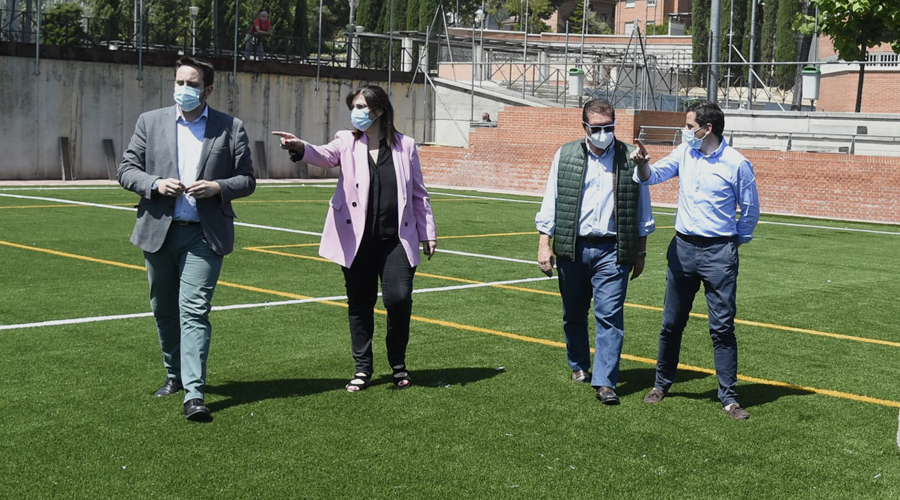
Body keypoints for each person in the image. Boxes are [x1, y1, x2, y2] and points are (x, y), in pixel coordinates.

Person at [272, 84, 437, 392]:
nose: (357, 113)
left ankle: (398, 363)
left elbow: (418, 193)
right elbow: (322, 155)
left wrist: (427, 232)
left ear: (380, 110)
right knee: (360, 304)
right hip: (356, 239)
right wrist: (298, 146)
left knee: (399, 299)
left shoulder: (406, 146)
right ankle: (363, 368)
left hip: (396, 240)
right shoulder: (345, 141)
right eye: (355, 106)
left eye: (363, 107)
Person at [118, 56, 256, 422]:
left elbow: (247, 179)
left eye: (192, 84)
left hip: (204, 235)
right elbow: (126, 169)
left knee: (194, 310)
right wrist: (154, 184)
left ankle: (194, 394)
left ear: (208, 90)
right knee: (164, 309)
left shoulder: (230, 128)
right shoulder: (150, 122)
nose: (184, 90)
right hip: (158, 231)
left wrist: (218, 187)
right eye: (179, 82)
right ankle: (174, 375)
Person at [630, 100, 760, 420]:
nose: (685, 132)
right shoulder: (685, 153)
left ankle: (729, 398)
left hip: (719, 253)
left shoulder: (737, 164)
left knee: (722, 328)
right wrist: (643, 163)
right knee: (671, 323)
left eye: (690, 127)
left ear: (707, 128)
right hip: (682, 250)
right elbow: (651, 176)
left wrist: (732, 243)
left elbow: (750, 210)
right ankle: (661, 384)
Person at [535, 98, 655, 405]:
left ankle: (606, 382)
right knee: (573, 313)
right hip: (573, 248)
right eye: (597, 128)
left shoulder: (631, 156)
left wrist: (640, 252)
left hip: (612, 250)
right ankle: (579, 364)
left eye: (609, 127)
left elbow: (642, 206)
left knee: (610, 316)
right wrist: (544, 243)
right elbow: (552, 200)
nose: (604, 133)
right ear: (585, 127)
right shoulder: (566, 154)